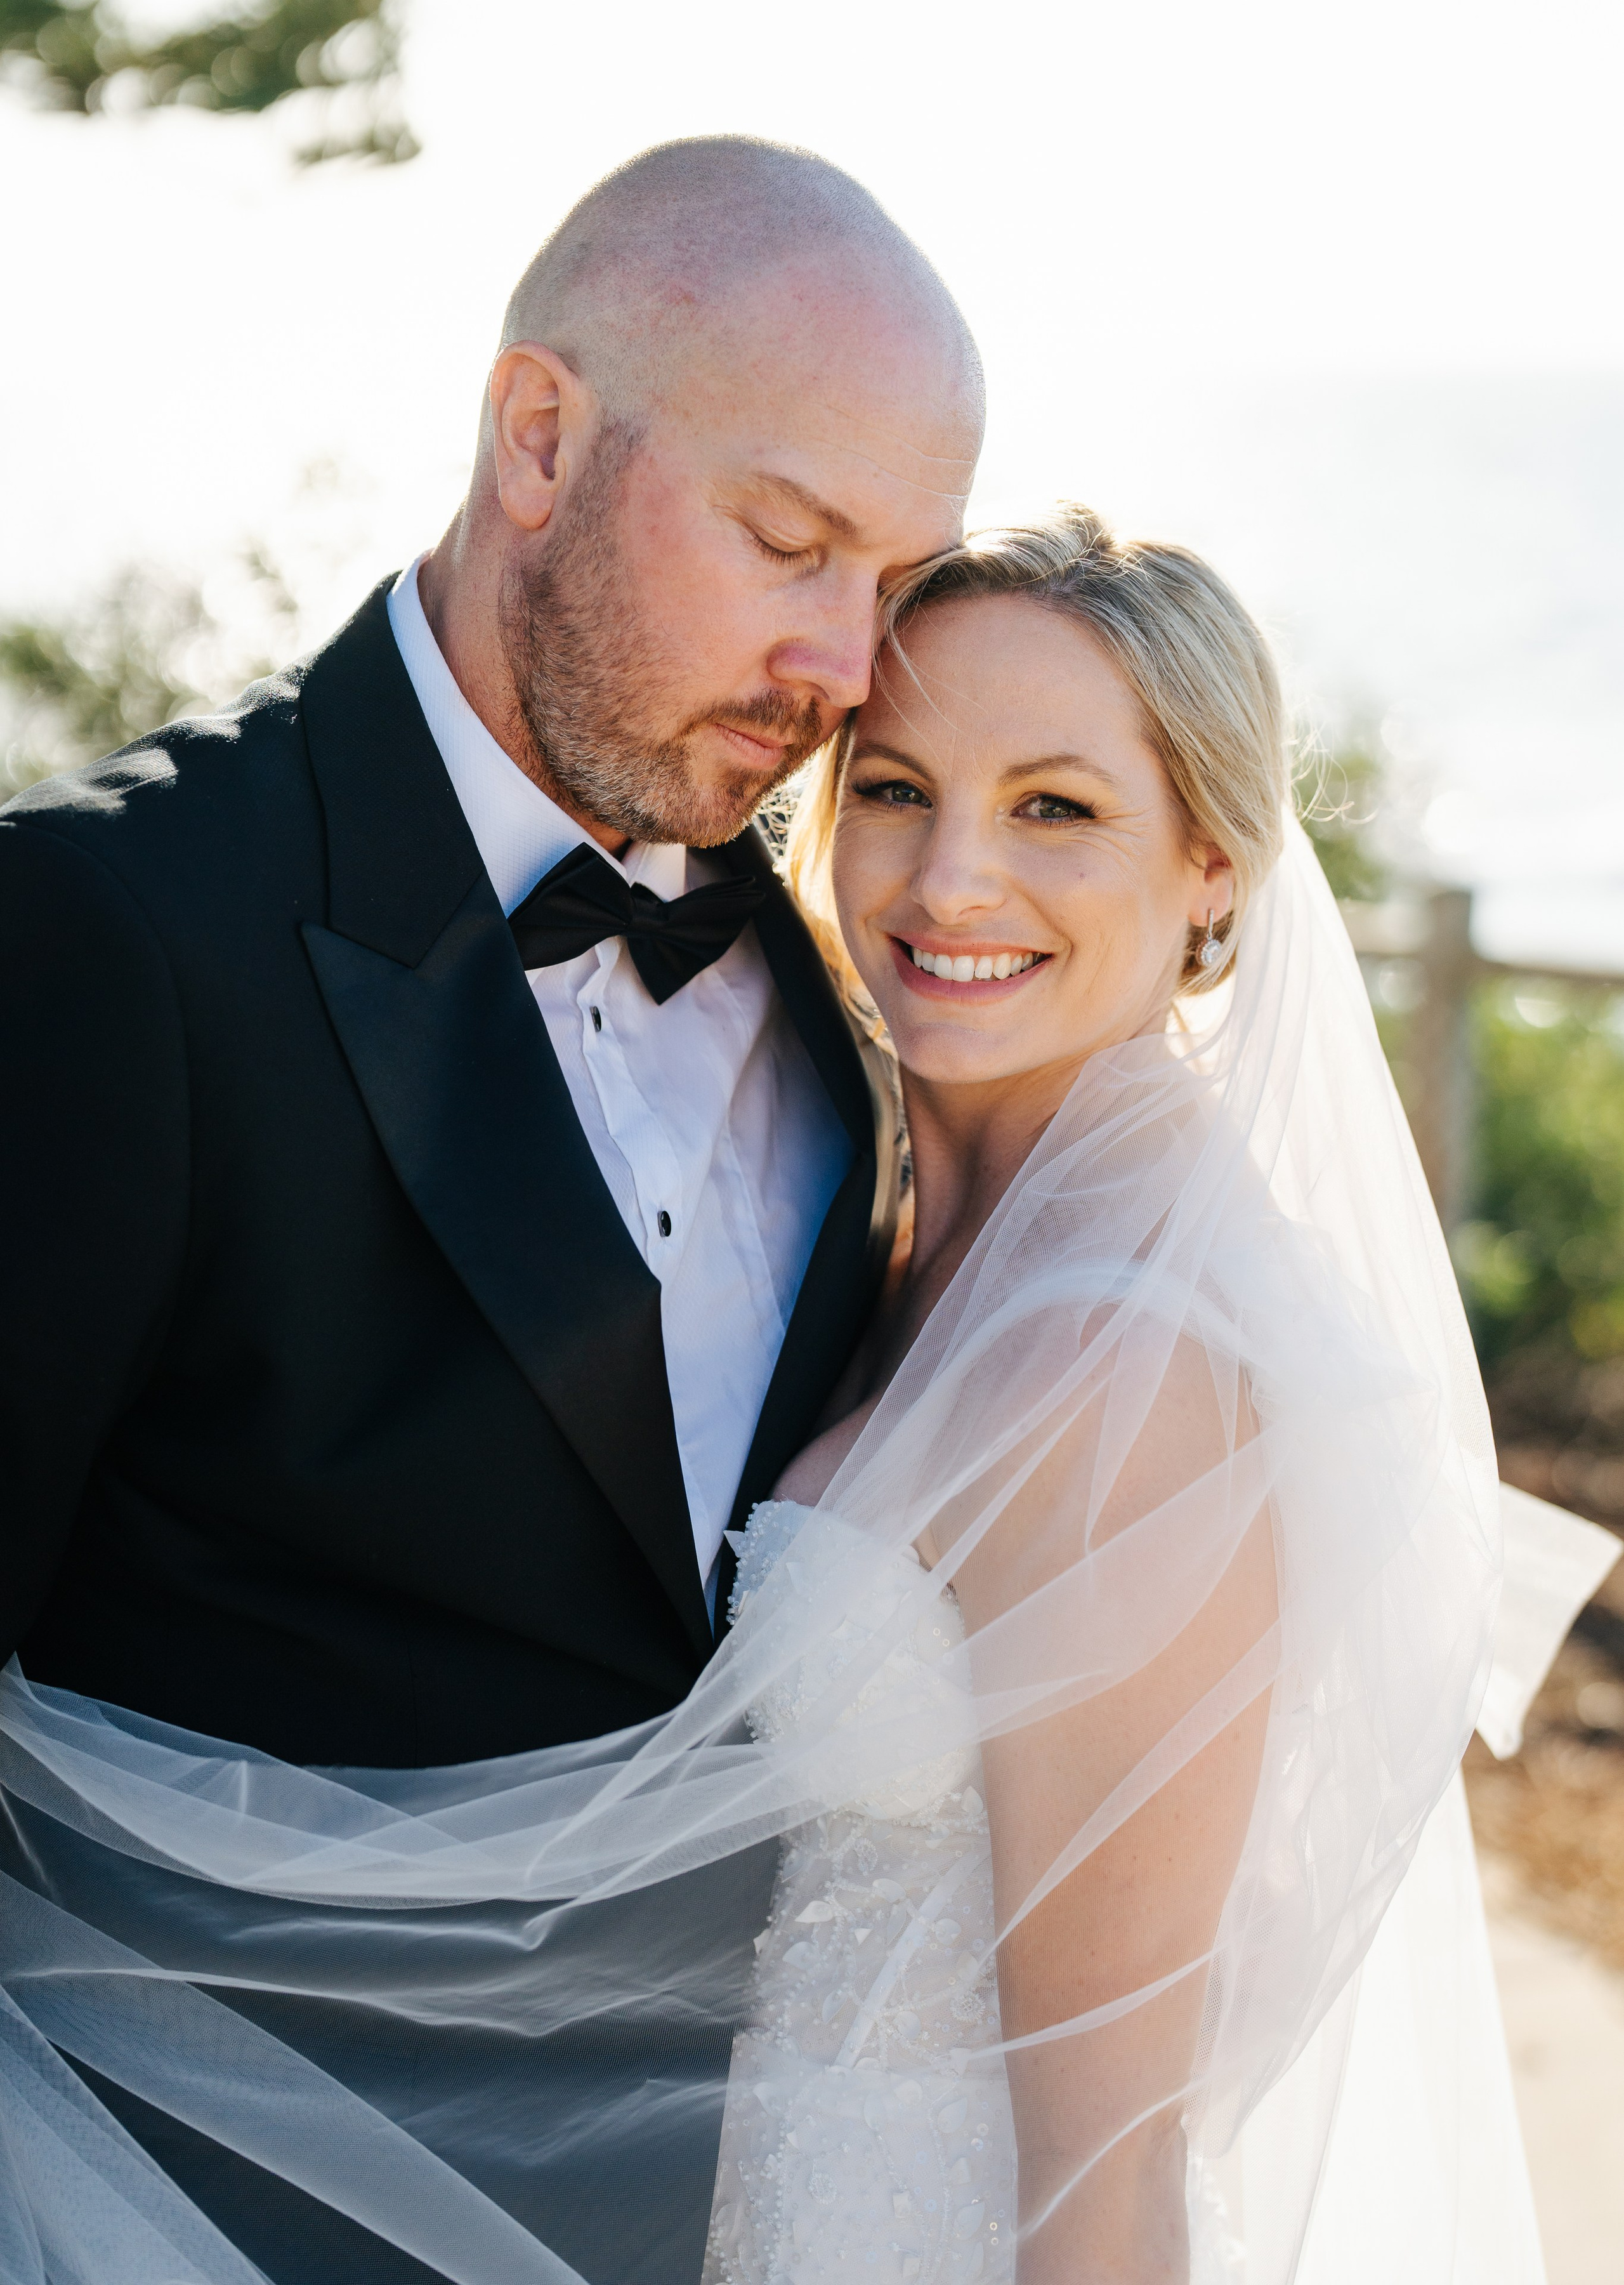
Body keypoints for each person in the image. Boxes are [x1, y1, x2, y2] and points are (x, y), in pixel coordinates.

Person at [0, 503, 1551, 2285]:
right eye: (895, 786)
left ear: (1212, 863)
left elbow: (1112, 2172)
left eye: (1056, 805)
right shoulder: (871, 1189)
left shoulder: (1140, 1372)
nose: (953, 876)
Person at [0, 136, 981, 2282]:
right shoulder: (100, 937)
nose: (848, 667)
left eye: (902, 580)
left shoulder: (846, 1023)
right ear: (538, 435)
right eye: (792, 540)